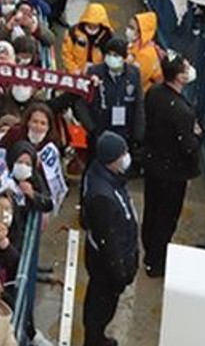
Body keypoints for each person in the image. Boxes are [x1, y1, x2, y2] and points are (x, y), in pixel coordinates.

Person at [141, 53, 202, 277]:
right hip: (172, 173)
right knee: (165, 219)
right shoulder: (182, 111)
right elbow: (189, 147)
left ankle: (149, 250)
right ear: (179, 77)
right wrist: (196, 136)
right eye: (186, 68)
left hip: (153, 164)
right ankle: (156, 262)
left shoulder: (154, 92)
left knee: (151, 210)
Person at [80, 132, 138, 346]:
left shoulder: (103, 175)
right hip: (106, 268)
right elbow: (109, 242)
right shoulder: (102, 196)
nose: (126, 157)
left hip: (105, 263)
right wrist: (120, 274)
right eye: (122, 154)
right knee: (100, 310)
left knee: (99, 307)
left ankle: (97, 337)